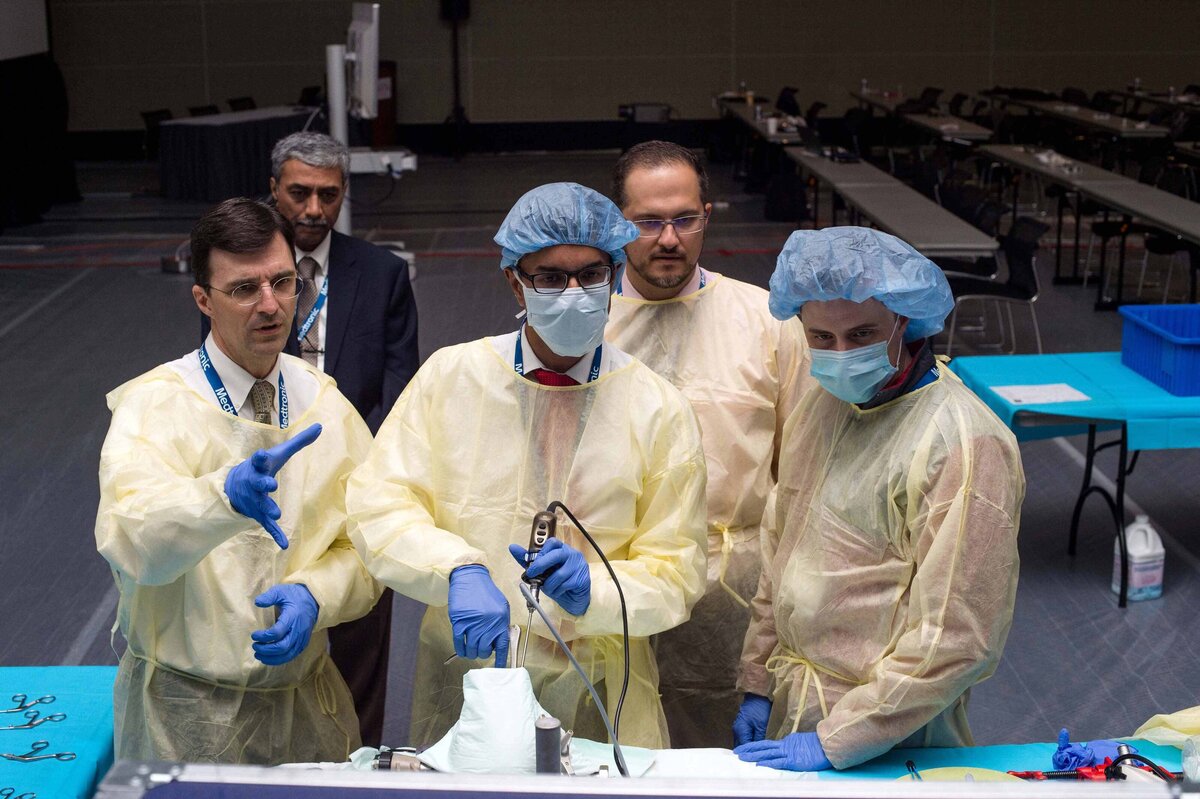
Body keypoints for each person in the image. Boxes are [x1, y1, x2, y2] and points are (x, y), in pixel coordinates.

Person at [347, 182, 708, 750]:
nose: (573, 292)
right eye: (549, 277)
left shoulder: (657, 408)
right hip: (467, 679)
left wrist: (599, 591)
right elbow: (378, 507)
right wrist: (456, 569)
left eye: (590, 275)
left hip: (603, 690)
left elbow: (679, 570)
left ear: (614, 274)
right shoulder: (452, 378)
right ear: (514, 279)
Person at [96, 198, 380, 764]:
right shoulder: (158, 404)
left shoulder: (320, 402)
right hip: (185, 717)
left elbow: (368, 539)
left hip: (307, 709)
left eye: (282, 281)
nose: (271, 306)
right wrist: (219, 498)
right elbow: (131, 542)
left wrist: (315, 593)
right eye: (244, 289)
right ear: (203, 299)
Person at [733, 227, 1023, 771]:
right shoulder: (821, 410)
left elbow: (957, 636)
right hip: (797, 706)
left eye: (861, 334)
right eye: (821, 338)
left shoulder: (962, 443)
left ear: (904, 321)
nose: (840, 355)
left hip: (896, 731)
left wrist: (841, 737)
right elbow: (782, 555)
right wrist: (758, 678)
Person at [605, 141, 813, 748]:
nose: (668, 239)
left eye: (684, 219)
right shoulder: (584, 326)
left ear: (707, 216)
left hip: (737, 593)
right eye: (646, 222)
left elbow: (801, 473)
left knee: (723, 751)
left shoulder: (768, 324)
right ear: (617, 223)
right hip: (613, 581)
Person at [271, 131, 421, 745]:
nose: (313, 209)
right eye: (300, 193)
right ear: (274, 189)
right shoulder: (246, 271)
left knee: (361, 631)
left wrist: (367, 478)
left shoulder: (382, 274)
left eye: (327, 196)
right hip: (270, 484)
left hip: (356, 484)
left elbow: (400, 386)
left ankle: (358, 760)